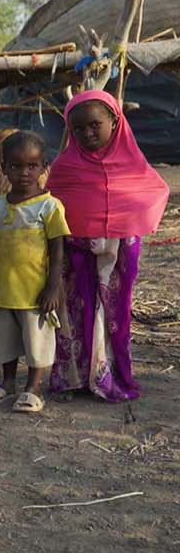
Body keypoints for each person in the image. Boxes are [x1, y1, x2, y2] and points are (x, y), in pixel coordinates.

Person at [48, 90, 169, 402]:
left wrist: (127, 219)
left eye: (94, 125)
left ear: (115, 121)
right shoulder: (64, 168)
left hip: (118, 256)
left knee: (113, 316)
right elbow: (51, 211)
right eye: (78, 128)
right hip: (76, 259)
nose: (87, 133)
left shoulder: (134, 165)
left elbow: (154, 192)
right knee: (75, 314)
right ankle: (74, 376)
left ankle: (108, 374)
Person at [0, 131, 69, 414]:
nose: (24, 172)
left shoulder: (49, 206)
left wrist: (53, 287)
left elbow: (57, 253)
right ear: (4, 167)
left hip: (35, 292)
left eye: (32, 165)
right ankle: (7, 383)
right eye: (16, 166)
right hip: (3, 289)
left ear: (44, 167)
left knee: (36, 341)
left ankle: (33, 388)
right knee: (5, 341)